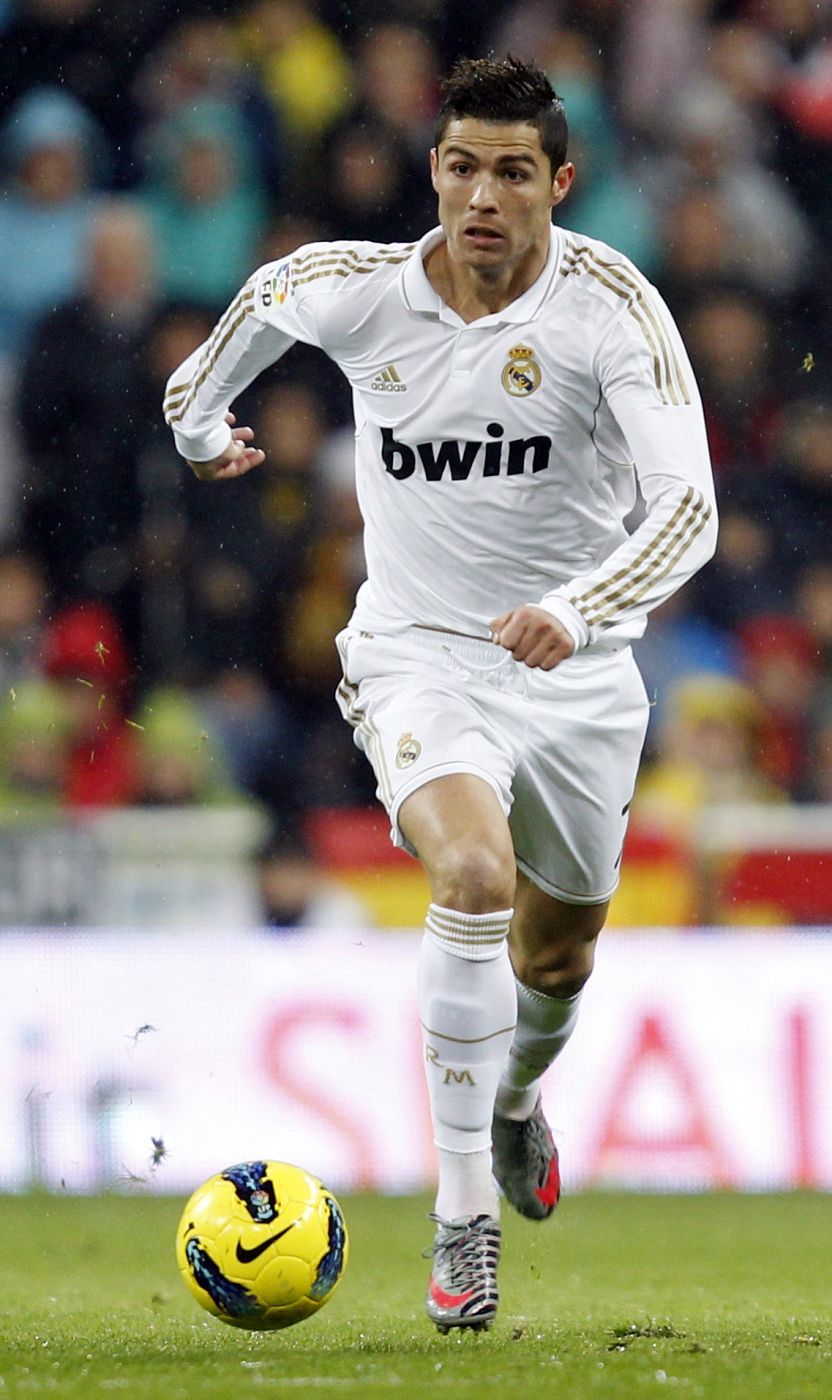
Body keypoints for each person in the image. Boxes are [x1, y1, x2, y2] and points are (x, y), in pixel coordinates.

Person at [163, 56, 717, 1333]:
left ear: (557, 185)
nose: (481, 195)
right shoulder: (357, 291)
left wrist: (576, 608)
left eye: (512, 172)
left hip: (577, 671)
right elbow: (216, 358)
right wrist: (203, 436)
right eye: (461, 166)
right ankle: (463, 1221)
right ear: (434, 172)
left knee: (559, 954)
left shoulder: (611, 309)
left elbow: (687, 508)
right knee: (470, 874)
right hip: (417, 650)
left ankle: (517, 1100)